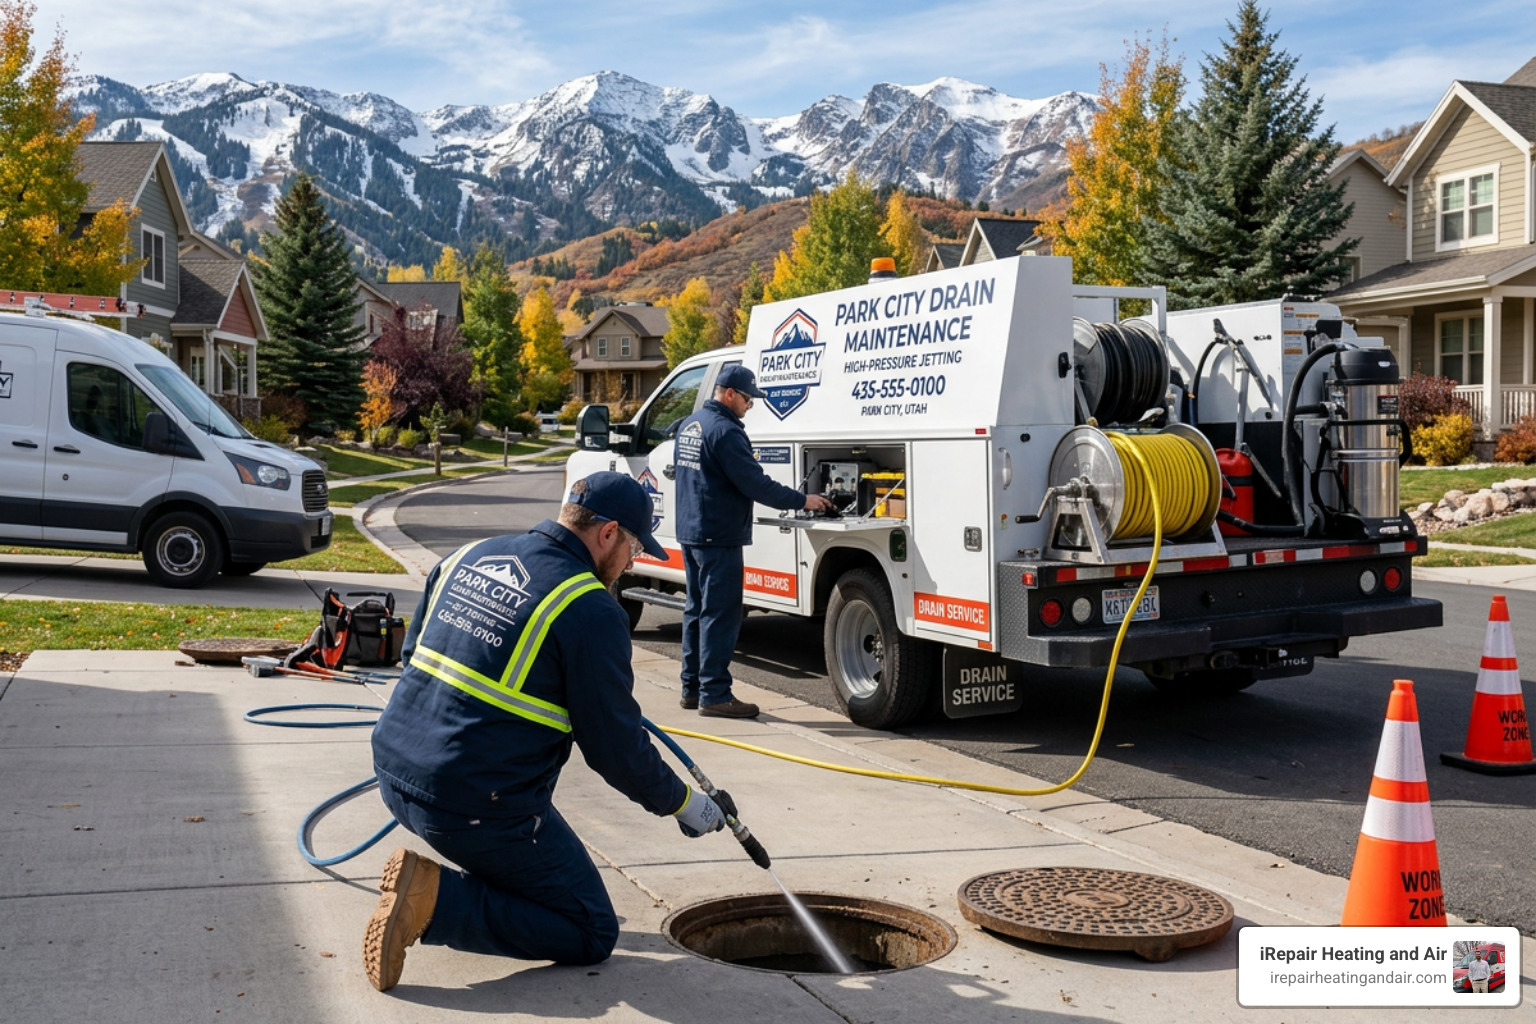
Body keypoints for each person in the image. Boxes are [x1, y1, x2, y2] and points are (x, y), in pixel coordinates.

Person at [363, 472, 731, 992]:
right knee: (590, 927)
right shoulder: (589, 609)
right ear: (607, 534)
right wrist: (683, 804)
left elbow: (412, 658)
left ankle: (493, 881)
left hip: (394, 771)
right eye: (632, 548)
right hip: (469, 806)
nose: (631, 562)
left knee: (544, 869)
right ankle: (434, 902)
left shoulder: (467, 555)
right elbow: (616, 751)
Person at [673, 364, 833, 718]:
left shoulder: (690, 425)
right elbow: (755, 484)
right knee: (720, 614)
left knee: (696, 611)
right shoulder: (726, 432)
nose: (751, 405)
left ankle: (692, 688)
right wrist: (803, 500)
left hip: (693, 531)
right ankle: (715, 694)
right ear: (729, 393)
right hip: (718, 535)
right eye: (747, 398)